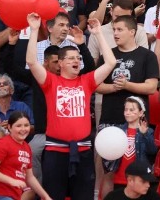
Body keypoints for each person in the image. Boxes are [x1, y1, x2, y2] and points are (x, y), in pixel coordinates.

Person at [25, 13, 116, 200]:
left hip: (82, 152)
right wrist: (34, 30)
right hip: (55, 152)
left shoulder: (87, 81)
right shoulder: (50, 82)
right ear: (60, 63)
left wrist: (98, 34)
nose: (76, 61)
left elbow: (111, 62)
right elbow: (32, 62)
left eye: (77, 58)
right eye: (70, 58)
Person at [0, 110, 51, 200]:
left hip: (14, 196)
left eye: (26, 125)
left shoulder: (27, 147)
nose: (23, 129)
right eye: (18, 126)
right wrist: (11, 181)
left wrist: (45, 196)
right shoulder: (3, 143)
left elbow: (29, 177)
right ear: (9, 127)